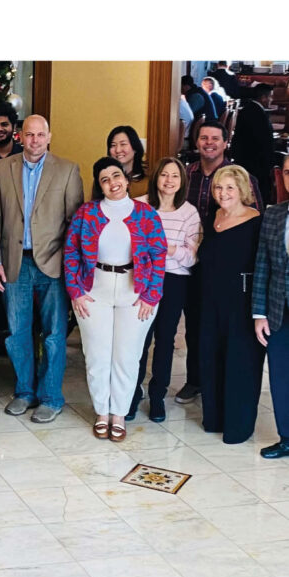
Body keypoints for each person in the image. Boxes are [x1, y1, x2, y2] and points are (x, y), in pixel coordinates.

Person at [65, 157, 166, 442]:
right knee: (97, 355)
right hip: (93, 290)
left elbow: (159, 255)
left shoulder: (146, 214)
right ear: (99, 185)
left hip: (135, 292)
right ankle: (101, 412)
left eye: (116, 175)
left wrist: (151, 295)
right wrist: (76, 291)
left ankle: (119, 413)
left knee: (127, 356)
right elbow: (71, 252)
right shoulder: (87, 213)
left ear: (126, 178)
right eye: (105, 179)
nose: (113, 182)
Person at [0, 114, 84, 423]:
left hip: (53, 264)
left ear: (49, 136)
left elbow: (75, 224)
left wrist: (69, 267)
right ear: (20, 137)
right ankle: (24, 392)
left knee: (55, 334)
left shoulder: (68, 170)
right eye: (29, 135)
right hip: (15, 263)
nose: (34, 140)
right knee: (17, 334)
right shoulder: (4, 168)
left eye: (40, 135)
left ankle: (51, 397)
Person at [176, 121, 263, 404]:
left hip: (230, 266)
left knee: (228, 329)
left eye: (215, 138)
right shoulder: (186, 174)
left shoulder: (243, 178)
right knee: (197, 324)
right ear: (196, 142)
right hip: (194, 261)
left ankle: (223, 384)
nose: (209, 143)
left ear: (225, 143)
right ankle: (196, 379)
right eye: (203, 138)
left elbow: (255, 220)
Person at [127, 158, 201, 422]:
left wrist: (163, 247)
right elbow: (131, 246)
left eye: (175, 176)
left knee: (165, 341)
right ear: (156, 177)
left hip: (174, 281)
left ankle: (157, 397)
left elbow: (191, 258)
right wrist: (164, 248)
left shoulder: (189, 212)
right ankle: (132, 395)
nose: (169, 181)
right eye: (164, 175)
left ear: (182, 182)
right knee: (139, 340)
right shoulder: (140, 206)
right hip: (143, 279)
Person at [198, 165, 265, 444]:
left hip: (242, 301)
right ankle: (214, 418)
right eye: (218, 187)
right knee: (211, 357)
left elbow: (265, 266)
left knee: (241, 363)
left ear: (242, 191)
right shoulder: (211, 218)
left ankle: (237, 426)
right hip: (209, 300)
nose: (223, 193)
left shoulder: (258, 221)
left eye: (229, 188)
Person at [252, 155, 289, 458]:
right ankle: (286, 437)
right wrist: (259, 312)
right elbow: (262, 265)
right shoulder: (274, 214)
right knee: (280, 376)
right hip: (279, 310)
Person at [231, 83, 276, 205]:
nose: (271, 100)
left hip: (251, 159)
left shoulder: (252, 109)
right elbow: (262, 142)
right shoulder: (254, 112)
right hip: (254, 163)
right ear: (263, 97)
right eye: (270, 97)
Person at [107, 125, 147, 196]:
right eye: (113, 145)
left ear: (135, 148)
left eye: (123, 144)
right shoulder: (104, 177)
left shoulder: (148, 179)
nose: (118, 150)